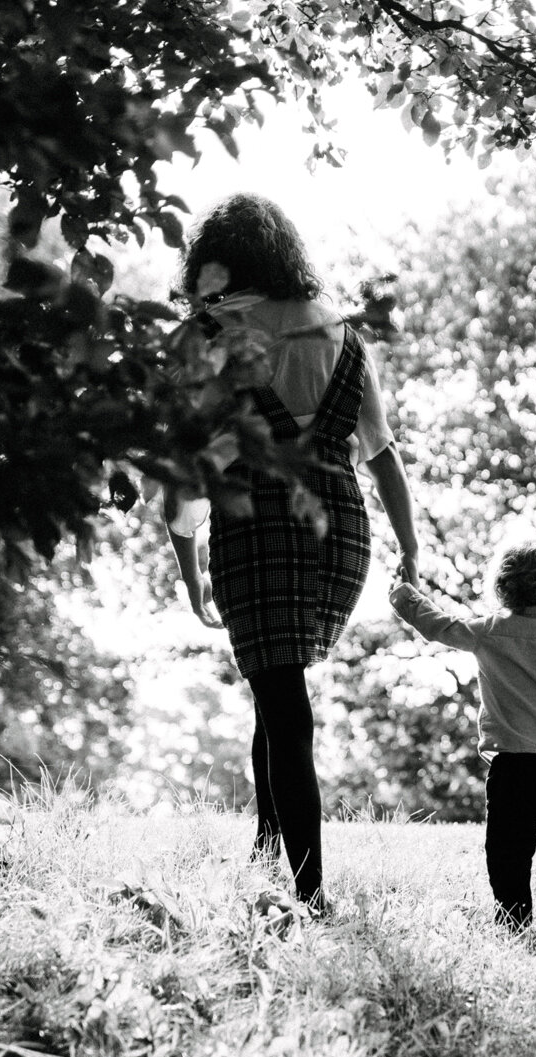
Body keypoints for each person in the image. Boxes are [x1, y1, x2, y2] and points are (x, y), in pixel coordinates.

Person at [165, 193, 420, 911]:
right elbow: (383, 454)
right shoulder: (338, 329)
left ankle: (309, 895)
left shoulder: (208, 338)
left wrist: (191, 575)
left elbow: (183, 479)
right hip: (340, 532)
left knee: (284, 706)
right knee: (273, 696)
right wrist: (410, 547)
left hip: (255, 532)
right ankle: (265, 846)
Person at [389, 537, 536, 931]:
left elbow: (438, 626)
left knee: (507, 844)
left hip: (514, 760)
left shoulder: (488, 631)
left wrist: (405, 594)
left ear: (502, 587)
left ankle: (514, 917)